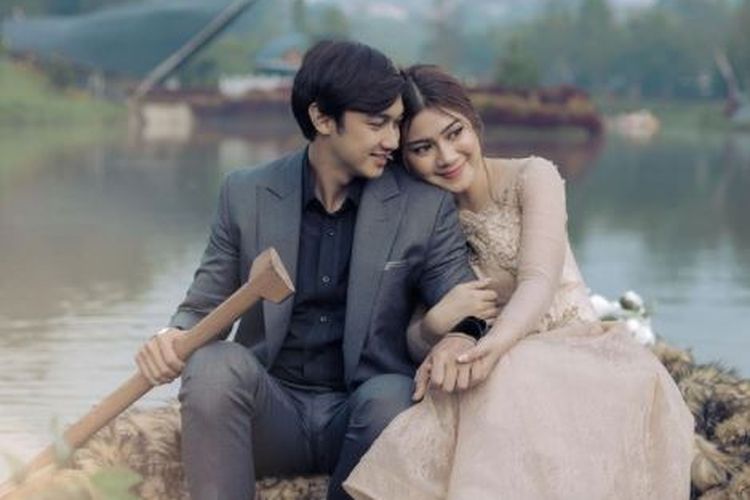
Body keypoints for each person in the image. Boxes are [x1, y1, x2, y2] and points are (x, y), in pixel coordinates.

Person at [134, 43, 481, 500]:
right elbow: (204, 305)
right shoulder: (246, 192)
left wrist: (461, 336)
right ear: (322, 118)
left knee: (394, 396)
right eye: (377, 123)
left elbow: (463, 298)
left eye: (397, 123)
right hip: (269, 414)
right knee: (213, 365)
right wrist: (171, 336)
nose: (393, 141)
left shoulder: (423, 205)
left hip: (363, 418)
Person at [344, 65, 695, 499]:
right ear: (404, 157)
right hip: (501, 368)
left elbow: (537, 281)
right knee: (472, 387)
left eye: (455, 134)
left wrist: (491, 348)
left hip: (578, 354)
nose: (447, 157)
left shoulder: (534, 176)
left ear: (474, 123)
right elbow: (417, 339)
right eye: (423, 148)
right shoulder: (424, 218)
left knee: (504, 373)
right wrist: (436, 326)